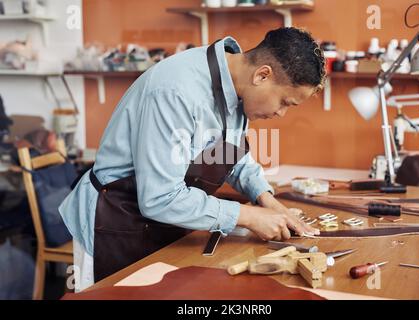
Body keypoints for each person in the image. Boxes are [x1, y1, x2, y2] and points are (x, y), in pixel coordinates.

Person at [59, 27, 326, 291]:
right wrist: (248, 216)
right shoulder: (175, 92)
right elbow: (159, 198)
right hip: (114, 222)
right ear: (262, 75)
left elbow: (229, 153)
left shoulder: (237, 87)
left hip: (162, 225)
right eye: (285, 102)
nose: (281, 113)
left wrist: (267, 200)